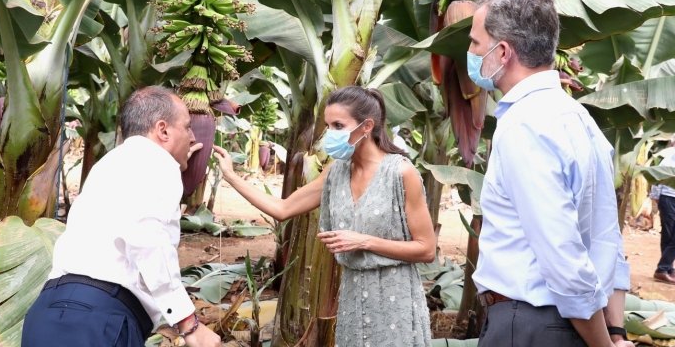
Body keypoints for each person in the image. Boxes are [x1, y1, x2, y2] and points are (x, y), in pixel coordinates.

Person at [467, 0, 633, 347]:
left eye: (476, 43)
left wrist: (603, 345)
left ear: (503, 51)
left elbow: (562, 254)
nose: (471, 53)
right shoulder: (578, 118)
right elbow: (606, 234)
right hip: (571, 325)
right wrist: (616, 331)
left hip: (530, 326)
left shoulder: (525, 124)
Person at [212, 86, 436, 346]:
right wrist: (231, 176)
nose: (331, 134)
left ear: (366, 126)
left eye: (339, 125)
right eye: (328, 126)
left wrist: (364, 241)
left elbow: (426, 249)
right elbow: (282, 209)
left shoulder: (400, 173)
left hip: (395, 301)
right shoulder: (335, 172)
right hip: (352, 299)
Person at [22, 86, 220, 347]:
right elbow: (147, 237)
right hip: (99, 322)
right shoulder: (159, 164)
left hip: (45, 314)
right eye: (187, 127)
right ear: (163, 130)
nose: (193, 137)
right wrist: (187, 323)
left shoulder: (109, 163)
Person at [649, 133, 675, 285]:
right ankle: (668, 269)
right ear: (674, 143)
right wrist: (656, 197)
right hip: (669, 199)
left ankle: (662, 269)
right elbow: (657, 179)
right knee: (668, 235)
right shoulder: (668, 160)